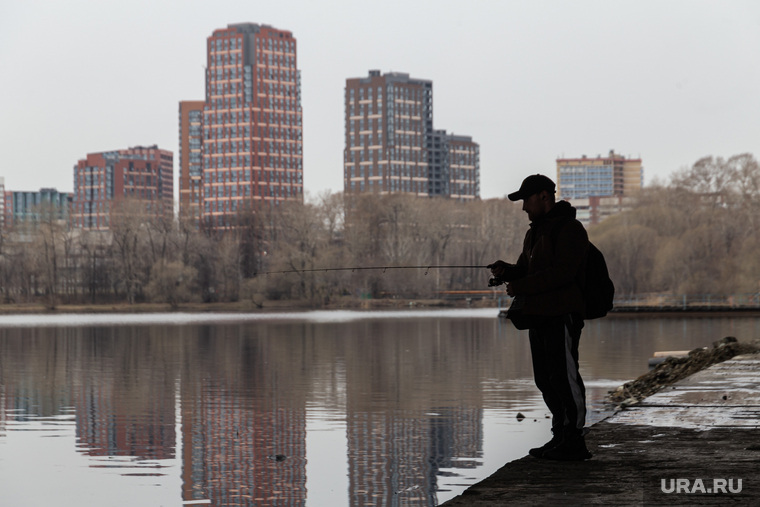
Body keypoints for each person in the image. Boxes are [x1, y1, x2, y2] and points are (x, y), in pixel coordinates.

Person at [489, 174, 592, 461]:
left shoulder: (570, 229)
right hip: (539, 315)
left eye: (526, 200)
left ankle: (574, 440)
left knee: (565, 377)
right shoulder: (534, 233)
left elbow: (563, 273)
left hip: (562, 315)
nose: (523, 207)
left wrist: (520, 285)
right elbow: (526, 269)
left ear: (544, 197)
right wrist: (507, 271)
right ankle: (560, 435)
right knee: (545, 379)